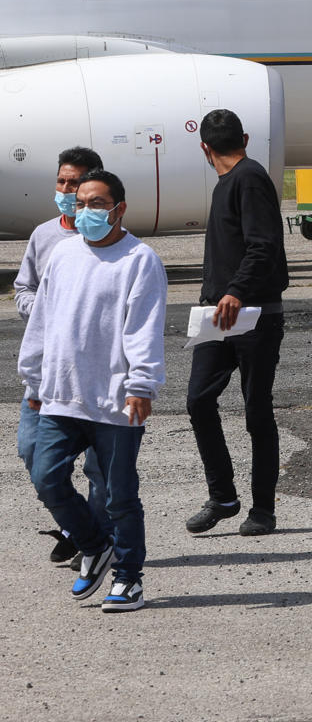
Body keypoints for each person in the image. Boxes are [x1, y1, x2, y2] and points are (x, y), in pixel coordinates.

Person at [20, 168, 167, 612]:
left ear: (119, 209)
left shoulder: (139, 259)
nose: (86, 211)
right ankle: (93, 545)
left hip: (115, 400)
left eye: (97, 204)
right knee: (46, 476)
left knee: (118, 495)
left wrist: (141, 384)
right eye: (81, 203)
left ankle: (128, 578)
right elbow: (43, 320)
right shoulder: (63, 255)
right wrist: (33, 377)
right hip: (61, 394)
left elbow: (144, 328)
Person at [185, 110, 290, 538]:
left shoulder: (249, 178)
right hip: (217, 314)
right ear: (243, 137)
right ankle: (223, 496)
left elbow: (263, 245)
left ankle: (262, 509)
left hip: (253, 314)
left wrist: (237, 291)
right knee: (198, 401)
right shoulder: (228, 183)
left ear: (204, 147)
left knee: (255, 409)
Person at [13, 145, 107, 566]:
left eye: (75, 182)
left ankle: (86, 539)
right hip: (46, 373)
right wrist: (47, 310)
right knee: (35, 455)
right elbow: (24, 289)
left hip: (94, 375)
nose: (67, 190)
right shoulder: (44, 235)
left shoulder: (110, 240)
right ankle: (80, 526)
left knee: (100, 471)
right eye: (62, 181)